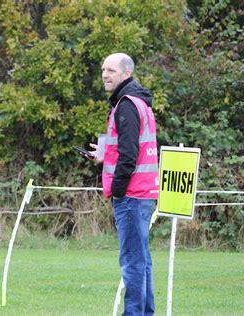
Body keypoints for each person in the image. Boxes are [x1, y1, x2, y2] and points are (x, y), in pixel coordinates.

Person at [90, 53, 159, 315]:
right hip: (142, 191)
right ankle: (145, 312)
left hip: (131, 194)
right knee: (141, 261)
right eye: (103, 69)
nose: (105, 74)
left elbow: (129, 155)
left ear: (126, 73)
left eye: (111, 70)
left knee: (132, 262)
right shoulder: (139, 102)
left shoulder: (127, 104)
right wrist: (104, 155)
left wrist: (117, 190)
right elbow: (128, 149)